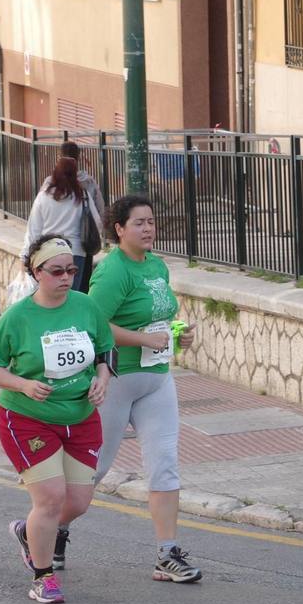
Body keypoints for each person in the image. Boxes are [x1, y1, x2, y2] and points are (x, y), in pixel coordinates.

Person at [0, 235, 114, 604]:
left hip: (80, 416)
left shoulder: (86, 306)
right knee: (51, 499)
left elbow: (104, 350)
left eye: (72, 270)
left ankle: (29, 532)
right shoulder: (18, 317)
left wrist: (102, 381)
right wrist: (23, 384)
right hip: (28, 418)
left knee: (78, 502)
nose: (66, 277)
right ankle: (43, 576)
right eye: (57, 271)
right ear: (37, 272)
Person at [87, 195, 203, 584]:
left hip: (156, 380)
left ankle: (167, 554)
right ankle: (49, 530)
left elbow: (160, 319)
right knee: (95, 467)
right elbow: (94, 325)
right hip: (116, 380)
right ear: (119, 229)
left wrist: (175, 335)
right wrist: (139, 339)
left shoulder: (156, 266)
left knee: (165, 463)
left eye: (151, 221)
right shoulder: (112, 271)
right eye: (139, 223)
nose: (148, 228)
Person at [25, 153, 95, 293]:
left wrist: (26, 255)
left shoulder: (44, 196)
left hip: (48, 252)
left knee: (49, 295)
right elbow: (97, 222)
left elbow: (33, 229)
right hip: (75, 251)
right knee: (72, 295)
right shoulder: (82, 196)